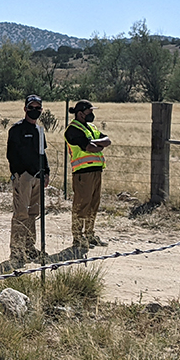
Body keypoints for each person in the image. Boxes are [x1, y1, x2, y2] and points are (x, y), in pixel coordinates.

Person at [6, 94, 50, 264]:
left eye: (37, 108)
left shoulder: (39, 130)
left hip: (38, 178)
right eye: (31, 108)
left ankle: (29, 248)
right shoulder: (17, 129)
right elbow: (11, 155)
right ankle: (16, 252)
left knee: (33, 213)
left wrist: (46, 172)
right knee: (21, 214)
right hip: (24, 178)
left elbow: (42, 153)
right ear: (25, 109)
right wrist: (21, 174)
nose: (34, 111)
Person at [64, 99, 112, 250]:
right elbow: (89, 147)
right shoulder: (72, 130)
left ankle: (90, 234)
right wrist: (97, 145)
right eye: (89, 111)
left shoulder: (91, 127)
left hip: (96, 170)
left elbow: (107, 140)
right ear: (80, 113)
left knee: (93, 204)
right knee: (81, 205)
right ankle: (78, 237)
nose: (92, 114)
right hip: (82, 173)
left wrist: (95, 142)